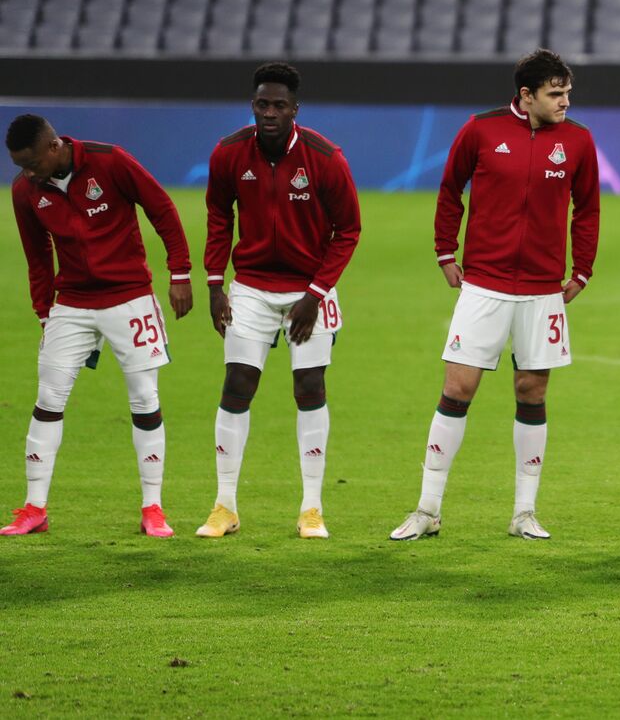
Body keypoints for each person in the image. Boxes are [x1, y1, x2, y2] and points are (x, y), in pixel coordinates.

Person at [390, 49, 600, 542]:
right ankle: (427, 509)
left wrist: (582, 271)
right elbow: (449, 190)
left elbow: (587, 209)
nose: (566, 101)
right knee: (458, 388)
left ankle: (524, 513)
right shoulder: (480, 130)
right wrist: (446, 252)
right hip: (483, 284)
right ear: (526, 96)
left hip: (544, 291)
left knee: (533, 392)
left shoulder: (578, 141)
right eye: (555, 94)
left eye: (568, 92)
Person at [4, 114, 192, 537]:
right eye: (20, 165)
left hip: (130, 298)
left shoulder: (111, 162)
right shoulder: (25, 191)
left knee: (145, 397)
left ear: (54, 147)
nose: (27, 172)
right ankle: (34, 508)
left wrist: (179, 273)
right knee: (48, 397)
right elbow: (37, 255)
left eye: (31, 162)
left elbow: (161, 209)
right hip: (71, 302)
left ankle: (153, 507)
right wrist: (43, 312)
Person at [196, 63, 362, 540]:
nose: (269, 113)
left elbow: (348, 230)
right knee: (237, 383)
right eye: (262, 105)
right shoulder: (229, 153)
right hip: (250, 285)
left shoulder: (325, 157)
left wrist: (315, 294)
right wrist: (214, 284)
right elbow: (217, 215)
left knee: (309, 386)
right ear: (254, 106)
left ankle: (312, 508)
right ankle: (224, 505)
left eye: (279, 106)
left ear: (295, 110)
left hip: (310, 288)